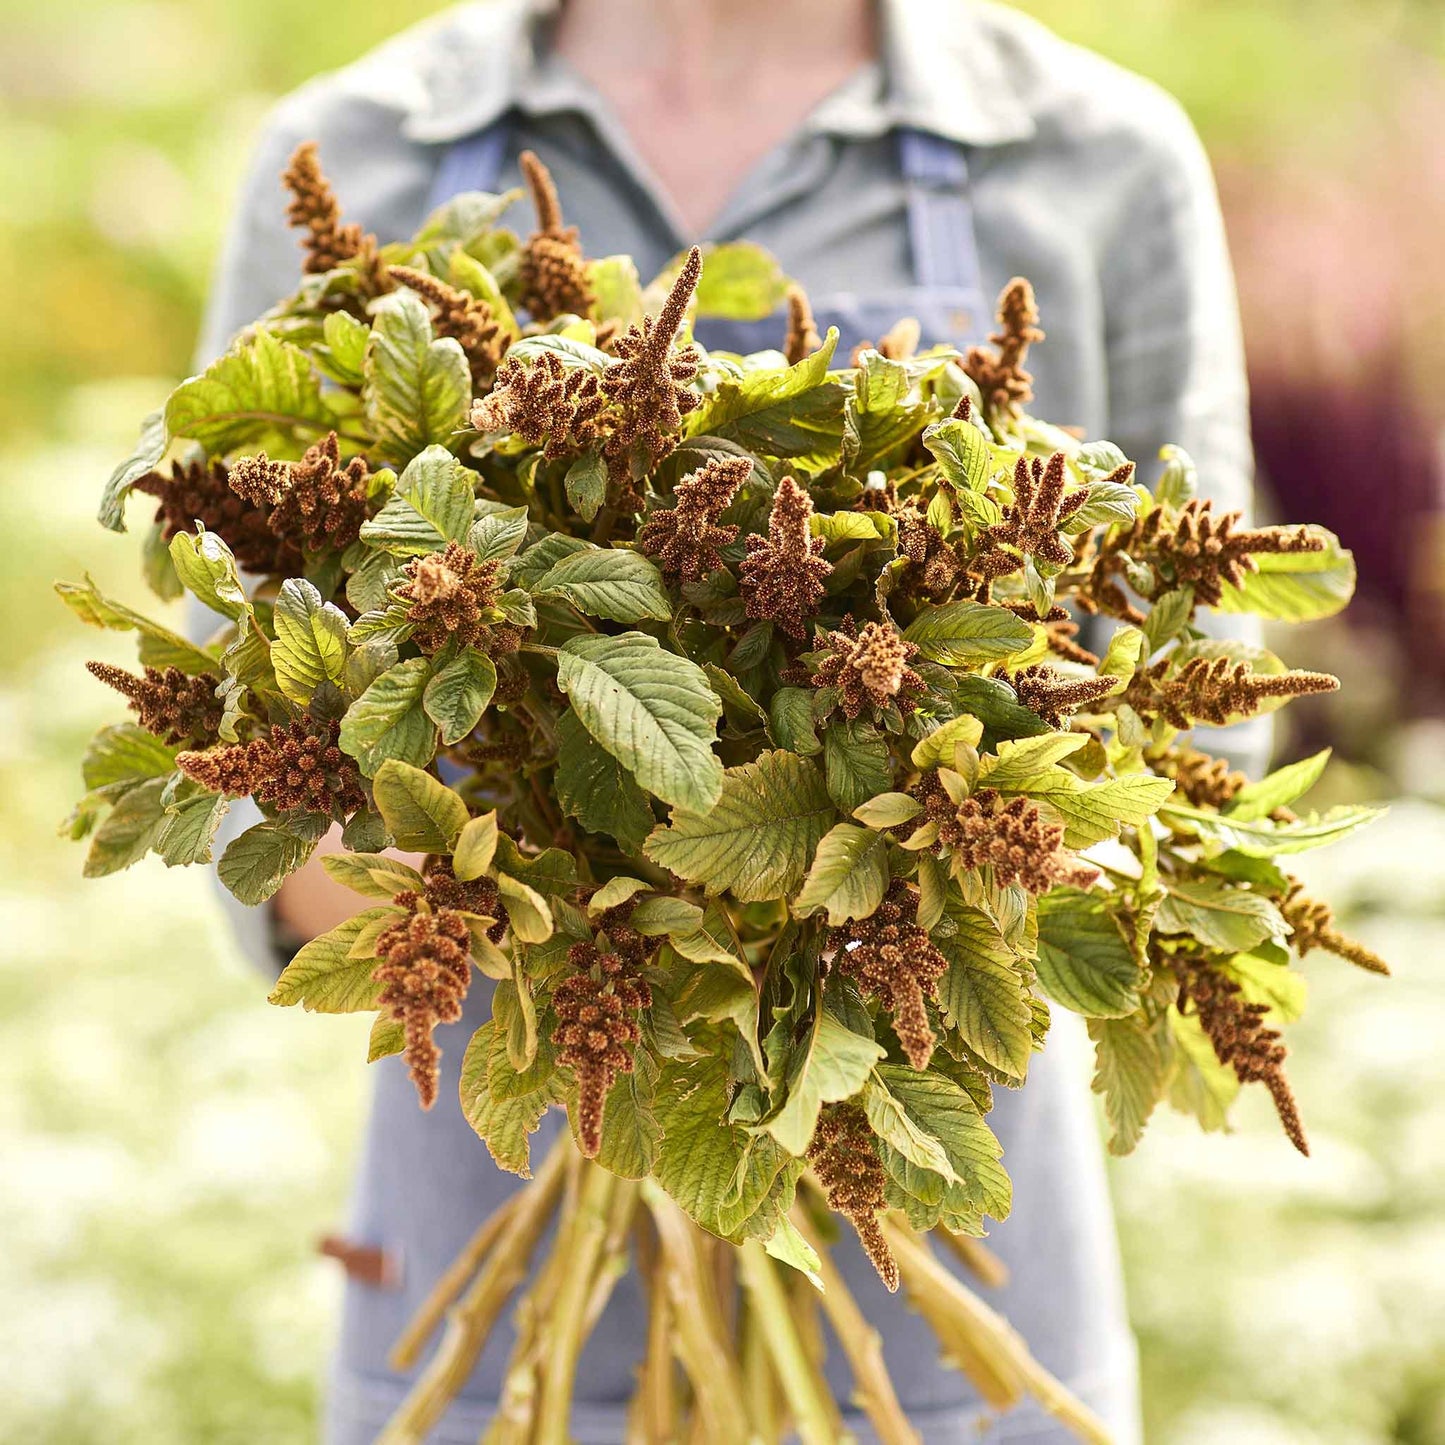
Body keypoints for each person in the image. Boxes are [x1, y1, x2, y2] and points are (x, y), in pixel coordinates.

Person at [198, 2, 1263, 1440]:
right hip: (496, 1190)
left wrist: (894, 897)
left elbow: (1194, 723)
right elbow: (235, 749)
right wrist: (545, 925)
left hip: (923, 1211)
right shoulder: (369, 147)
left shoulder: (1095, 152)